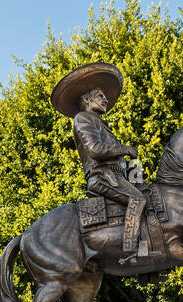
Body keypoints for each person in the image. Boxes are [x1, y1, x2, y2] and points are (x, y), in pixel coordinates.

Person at [51, 63, 146, 262]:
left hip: (117, 177)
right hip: (101, 178)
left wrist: (136, 172)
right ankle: (131, 252)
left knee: (150, 196)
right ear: (86, 99)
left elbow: (118, 160)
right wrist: (125, 149)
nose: (106, 99)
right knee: (138, 200)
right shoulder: (83, 118)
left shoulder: (101, 123)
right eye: (100, 96)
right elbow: (95, 150)